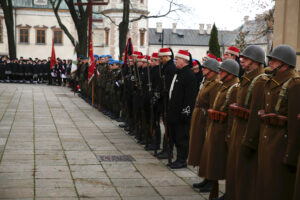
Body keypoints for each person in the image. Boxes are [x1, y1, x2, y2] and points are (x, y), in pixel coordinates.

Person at [256, 44, 300, 200]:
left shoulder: (294, 84)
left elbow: (295, 124)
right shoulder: (271, 81)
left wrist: (291, 154)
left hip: (281, 142)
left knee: (278, 186)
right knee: (266, 184)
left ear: (285, 63)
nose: (271, 63)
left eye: (274, 60)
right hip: (268, 138)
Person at [225, 45, 267, 200]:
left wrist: (249, 140)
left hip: (246, 131)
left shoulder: (260, 81)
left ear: (255, 61)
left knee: (245, 174)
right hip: (238, 128)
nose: (241, 60)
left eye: (246, 58)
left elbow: (255, 113)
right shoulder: (248, 78)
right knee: (235, 169)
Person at [198, 59, 239, 199]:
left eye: (223, 71)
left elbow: (232, 115)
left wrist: (229, 134)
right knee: (213, 161)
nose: (219, 72)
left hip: (223, 130)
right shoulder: (224, 86)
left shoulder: (234, 88)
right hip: (215, 127)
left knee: (223, 164)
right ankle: (213, 189)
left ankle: (228, 193)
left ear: (231, 73)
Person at [188, 58, 222, 190]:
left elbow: (213, 104)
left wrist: (208, 121)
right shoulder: (207, 81)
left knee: (208, 150)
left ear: (212, 71)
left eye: (205, 68)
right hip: (200, 118)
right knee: (202, 149)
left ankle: (211, 180)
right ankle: (206, 177)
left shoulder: (215, 84)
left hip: (206, 119)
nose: (203, 70)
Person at [167, 50, 197, 169]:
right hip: (174, 110)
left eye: (178, 59)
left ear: (184, 60)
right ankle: (177, 158)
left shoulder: (189, 75)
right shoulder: (178, 73)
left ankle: (182, 159)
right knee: (174, 135)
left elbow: (190, 97)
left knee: (182, 137)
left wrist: (186, 111)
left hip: (182, 112)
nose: (175, 61)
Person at [156, 47, 176, 159]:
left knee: (168, 127)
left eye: (161, 57)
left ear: (166, 56)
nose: (160, 60)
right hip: (163, 100)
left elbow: (168, 85)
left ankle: (168, 150)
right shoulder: (165, 67)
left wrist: (164, 91)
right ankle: (165, 148)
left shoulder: (170, 68)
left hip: (167, 101)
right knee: (165, 125)